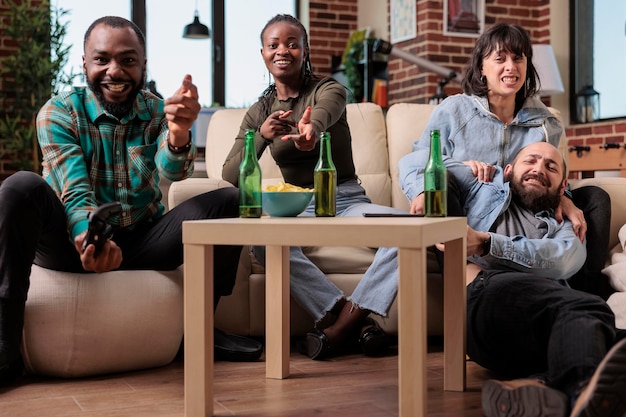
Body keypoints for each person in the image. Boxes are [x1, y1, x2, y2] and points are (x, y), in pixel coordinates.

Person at [0, 16, 261, 385]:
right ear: (84, 64)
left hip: (141, 241)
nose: (114, 70)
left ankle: (201, 331)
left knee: (228, 199)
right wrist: (89, 237)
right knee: (20, 187)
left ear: (142, 64)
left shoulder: (157, 111)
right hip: (73, 243)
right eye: (102, 59)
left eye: (127, 60)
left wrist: (180, 134)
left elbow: (174, 171)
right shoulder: (58, 112)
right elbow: (74, 191)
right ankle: (5, 344)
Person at [222, 14, 405, 360]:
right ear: (262, 52)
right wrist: (261, 136)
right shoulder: (258, 111)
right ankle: (355, 321)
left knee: (410, 234)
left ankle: (339, 328)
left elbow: (325, 110)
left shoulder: (328, 88)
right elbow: (231, 173)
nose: (283, 51)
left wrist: (312, 130)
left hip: (349, 200)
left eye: (293, 43)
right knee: (264, 244)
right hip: (297, 206)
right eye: (274, 44)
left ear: (305, 50)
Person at [398, 22, 613, 299]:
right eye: (500, 59)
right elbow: (420, 159)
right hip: (470, 213)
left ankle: (584, 291)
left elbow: (551, 175)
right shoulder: (454, 110)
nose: (511, 67)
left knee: (596, 197)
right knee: (441, 184)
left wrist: (565, 197)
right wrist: (426, 187)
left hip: (525, 214)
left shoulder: (546, 121)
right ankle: (465, 283)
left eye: (518, 58)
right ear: (481, 69)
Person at [438, 141, 626, 417]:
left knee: (604, 330)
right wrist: (464, 166)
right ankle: (579, 392)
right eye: (531, 161)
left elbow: (565, 259)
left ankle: (535, 388)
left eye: (551, 167)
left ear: (562, 188)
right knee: (587, 308)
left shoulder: (564, 223)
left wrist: (487, 243)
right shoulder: (480, 193)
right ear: (509, 170)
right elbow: (416, 163)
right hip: (486, 300)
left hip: (552, 325)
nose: (539, 169)